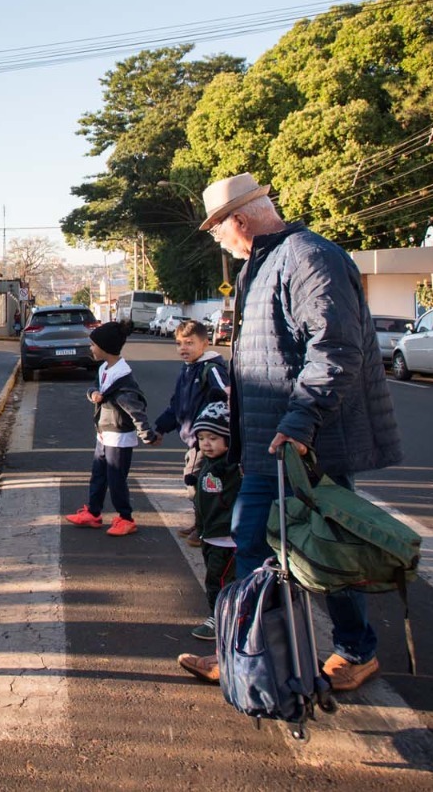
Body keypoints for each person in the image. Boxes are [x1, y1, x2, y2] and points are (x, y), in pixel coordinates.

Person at [176, 173, 403, 693]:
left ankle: (354, 651)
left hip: (307, 444)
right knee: (255, 541)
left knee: (326, 549)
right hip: (267, 443)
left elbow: (335, 350)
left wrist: (300, 422)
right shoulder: (264, 264)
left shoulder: (308, 258)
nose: (218, 239)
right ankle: (247, 655)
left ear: (238, 220)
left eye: (216, 230)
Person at [65, 322, 158, 536]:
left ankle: (126, 518)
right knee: (98, 475)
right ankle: (94, 512)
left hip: (119, 438)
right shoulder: (104, 369)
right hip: (104, 434)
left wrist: (148, 435)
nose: (90, 348)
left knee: (116, 480)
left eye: (93, 345)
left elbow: (136, 411)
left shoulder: (123, 379)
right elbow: (95, 388)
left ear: (105, 347)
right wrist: (93, 395)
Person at [153, 318, 230, 540]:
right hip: (193, 440)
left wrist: (212, 432)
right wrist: (160, 428)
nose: (183, 348)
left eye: (189, 342)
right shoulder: (187, 370)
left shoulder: (211, 368)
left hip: (205, 441)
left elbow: (225, 396)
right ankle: (201, 522)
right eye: (179, 343)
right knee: (197, 482)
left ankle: (205, 528)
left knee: (197, 481)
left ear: (205, 343)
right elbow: (177, 405)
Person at [187, 401, 240, 641]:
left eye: (213, 438)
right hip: (210, 533)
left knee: (219, 580)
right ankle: (222, 614)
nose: (206, 443)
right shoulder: (209, 463)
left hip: (227, 536)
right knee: (214, 576)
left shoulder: (231, 467)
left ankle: (219, 618)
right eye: (202, 437)